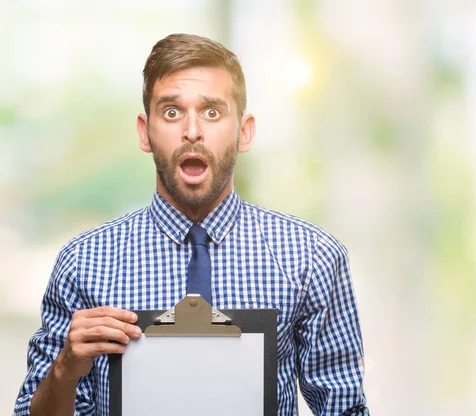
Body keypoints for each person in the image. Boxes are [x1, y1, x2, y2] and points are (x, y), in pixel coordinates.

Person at [13, 33, 368, 416]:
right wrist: (66, 368)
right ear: (144, 131)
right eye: (171, 112)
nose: (193, 131)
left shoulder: (313, 257)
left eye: (212, 112)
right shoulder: (82, 261)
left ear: (244, 131)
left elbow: (344, 409)